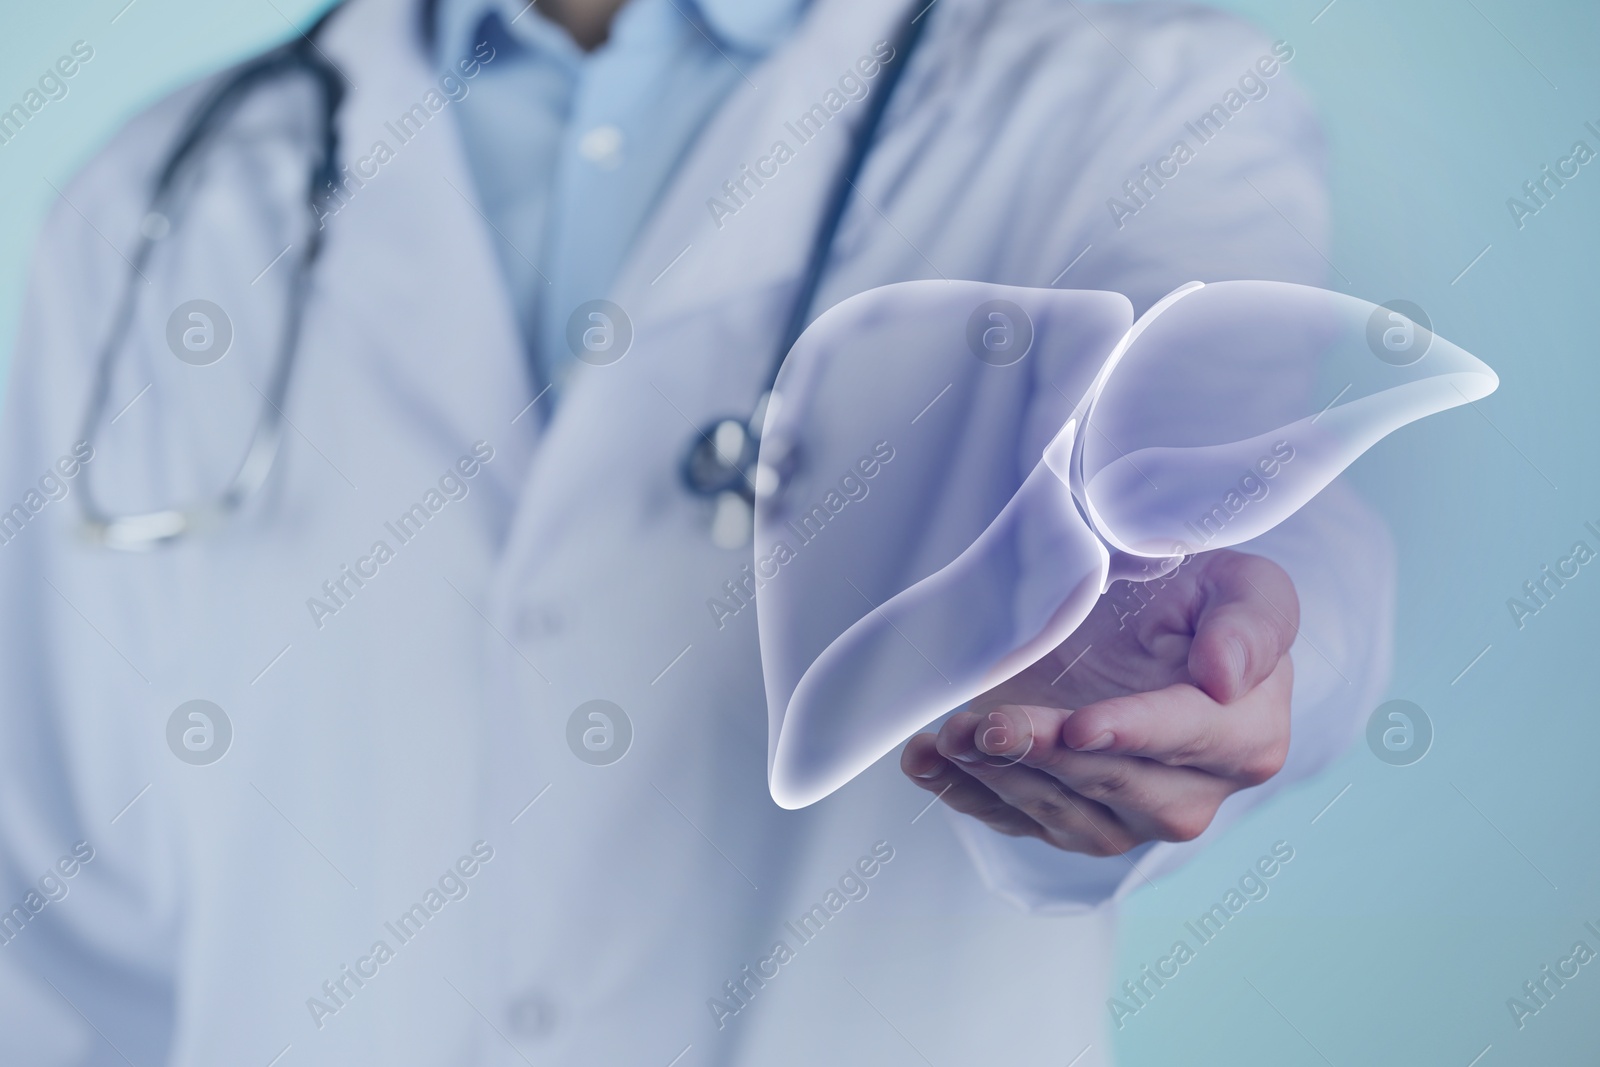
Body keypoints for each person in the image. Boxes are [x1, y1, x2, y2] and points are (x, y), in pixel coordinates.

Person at [0, 0, 1391, 1062]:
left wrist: (1225, 648)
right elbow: (62, 932)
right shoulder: (155, 209)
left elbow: (1230, 484)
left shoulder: (1128, 101)